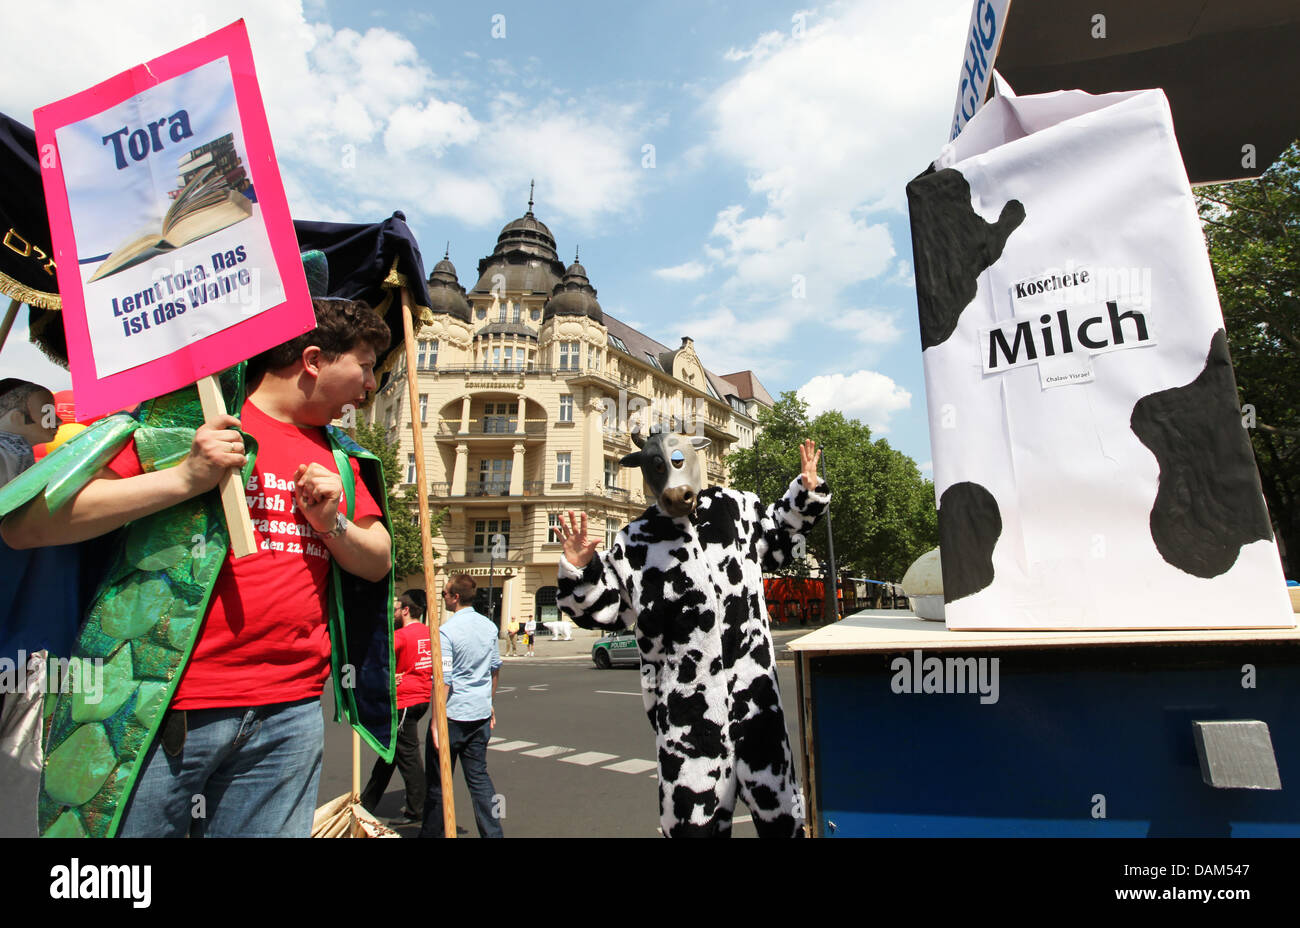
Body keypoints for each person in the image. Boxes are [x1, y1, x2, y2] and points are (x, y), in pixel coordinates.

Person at [1, 296, 397, 838]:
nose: (370, 386)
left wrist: (333, 524)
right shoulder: (182, 422)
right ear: (312, 360)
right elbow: (28, 526)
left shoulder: (343, 456)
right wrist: (184, 478)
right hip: (158, 705)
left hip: (291, 710)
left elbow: (377, 561)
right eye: (366, 366)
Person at [420, 573, 503, 838]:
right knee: (479, 778)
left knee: (438, 783)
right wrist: (489, 702)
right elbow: (494, 668)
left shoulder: (447, 631)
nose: (443, 597)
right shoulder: (489, 626)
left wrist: (436, 721)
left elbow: (443, 679)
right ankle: (493, 834)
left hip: (453, 715)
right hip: (479, 713)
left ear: (455, 597)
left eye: (444, 593)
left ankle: (431, 833)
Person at [361, 590, 431, 825]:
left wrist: (389, 678)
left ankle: (417, 809)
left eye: (396, 609)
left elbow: (376, 664)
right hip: (421, 698)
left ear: (406, 610)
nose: (394, 613)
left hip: (404, 702)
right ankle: (367, 802)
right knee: (388, 753)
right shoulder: (429, 633)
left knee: (408, 757)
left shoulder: (399, 636)